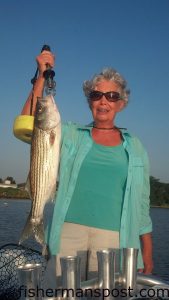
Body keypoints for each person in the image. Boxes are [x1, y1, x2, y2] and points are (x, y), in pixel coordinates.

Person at [13, 50, 153, 286]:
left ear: (121, 103)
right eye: (97, 94)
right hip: (68, 231)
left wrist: (146, 252)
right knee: (61, 293)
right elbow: (28, 121)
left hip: (114, 238)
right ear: (89, 100)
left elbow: (141, 204)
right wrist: (41, 75)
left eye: (111, 95)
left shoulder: (135, 147)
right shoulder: (69, 134)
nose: (104, 101)